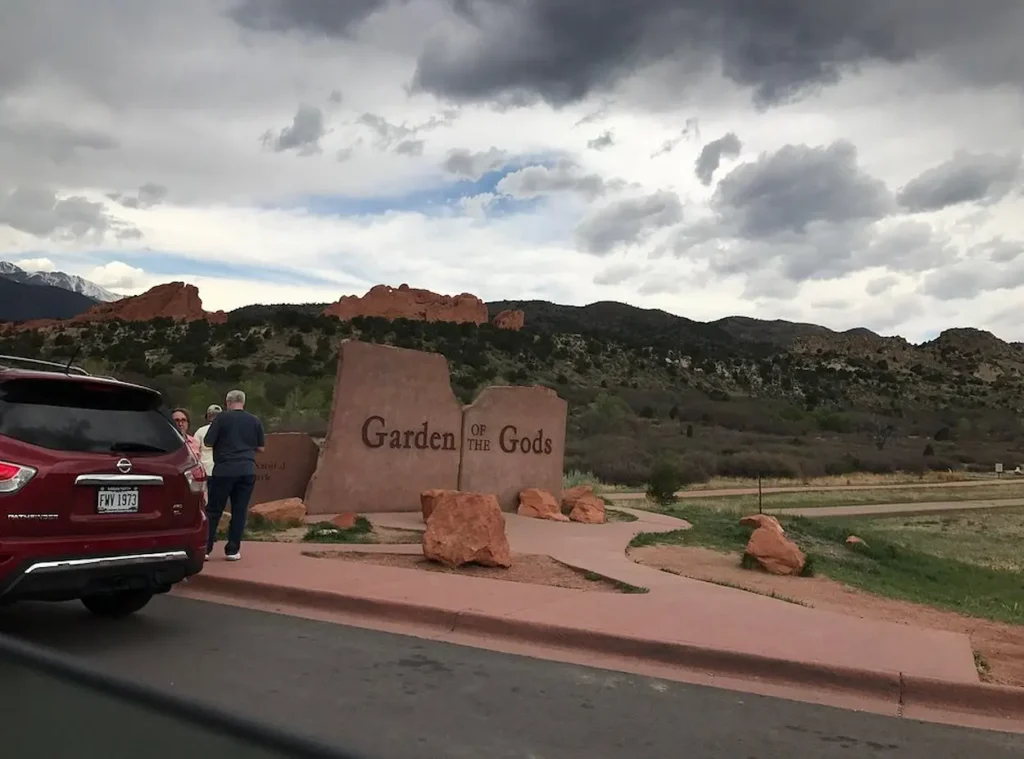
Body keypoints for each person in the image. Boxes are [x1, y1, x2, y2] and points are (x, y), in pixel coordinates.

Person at [203, 390, 265, 561]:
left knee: (214, 510)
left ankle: (205, 548)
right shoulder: (254, 420)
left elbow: (208, 441)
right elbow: (261, 447)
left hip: (224, 470)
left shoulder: (221, 419)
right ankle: (232, 550)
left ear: (227, 402)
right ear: (243, 402)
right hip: (247, 469)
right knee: (239, 510)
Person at [192, 404, 222, 478]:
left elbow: (194, 453)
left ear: (207, 417)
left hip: (205, 470)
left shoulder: (200, 431)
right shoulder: (227, 431)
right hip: (223, 470)